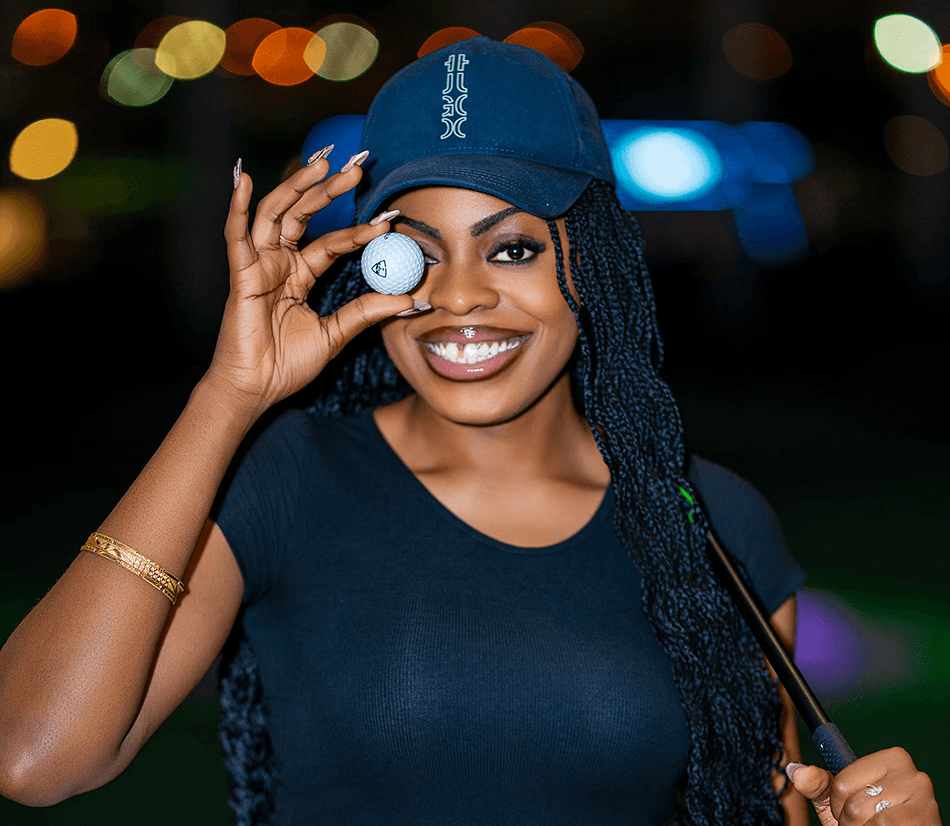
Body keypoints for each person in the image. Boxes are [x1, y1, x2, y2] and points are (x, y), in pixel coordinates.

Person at [0, 36, 941, 826]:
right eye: (412, 253)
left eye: (513, 248)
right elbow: (34, 756)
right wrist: (228, 396)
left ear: (592, 262)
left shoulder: (711, 521)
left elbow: (760, 804)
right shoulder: (281, 480)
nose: (456, 297)